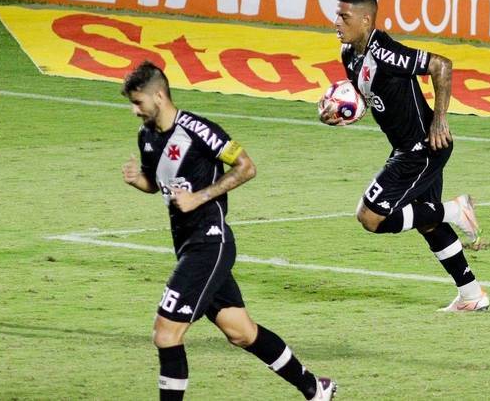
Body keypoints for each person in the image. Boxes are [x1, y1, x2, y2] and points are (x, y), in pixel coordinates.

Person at [121, 62, 336, 400]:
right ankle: (315, 388)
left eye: (138, 103)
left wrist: (200, 197)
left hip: (210, 244)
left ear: (159, 96)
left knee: (165, 333)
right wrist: (139, 181)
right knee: (241, 332)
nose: (134, 111)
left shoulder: (198, 130)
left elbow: (246, 166)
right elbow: (157, 183)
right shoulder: (147, 136)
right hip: (188, 244)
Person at [319, 0, 489, 312]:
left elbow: (442, 65)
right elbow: (368, 96)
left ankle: (457, 210)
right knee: (427, 223)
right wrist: (342, 113)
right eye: (337, 14)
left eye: (344, 16)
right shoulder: (348, 55)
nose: (336, 22)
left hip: (422, 149)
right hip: (409, 149)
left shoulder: (384, 52)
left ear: (366, 19)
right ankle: (471, 295)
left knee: (370, 217)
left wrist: (439, 120)